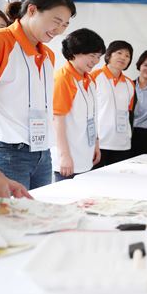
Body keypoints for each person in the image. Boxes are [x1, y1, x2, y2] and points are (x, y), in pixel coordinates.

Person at [0, 0, 76, 189]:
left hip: (42, 152)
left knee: (35, 217)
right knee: (7, 219)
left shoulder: (49, 55)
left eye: (65, 25)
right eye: (56, 21)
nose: (58, 30)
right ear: (32, 10)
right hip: (4, 150)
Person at [51, 28, 105, 181]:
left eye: (98, 57)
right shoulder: (63, 78)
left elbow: (92, 118)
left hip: (85, 156)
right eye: (92, 55)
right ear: (75, 52)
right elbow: (57, 120)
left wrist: (95, 144)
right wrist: (64, 155)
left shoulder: (90, 80)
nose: (95, 61)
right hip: (68, 160)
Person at [91, 40, 135, 167]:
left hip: (122, 144)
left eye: (127, 56)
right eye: (119, 53)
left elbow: (128, 112)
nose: (123, 57)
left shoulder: (130, 84)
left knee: (119, 183)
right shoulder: (93, 77)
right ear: (109, 55)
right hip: (99, 144)